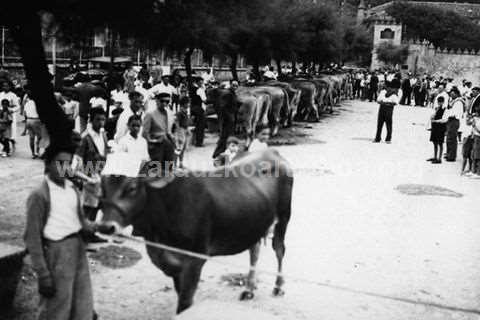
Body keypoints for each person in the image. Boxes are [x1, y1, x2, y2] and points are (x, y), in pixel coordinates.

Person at [24, 145, 96, 320]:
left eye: (67, 163)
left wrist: (99, 227)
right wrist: (43, 274)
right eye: (59, 163)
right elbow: (32, 238)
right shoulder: (39, 195)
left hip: (77, 250)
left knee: (83, 305)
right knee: (57, 308)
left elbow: (80, 222)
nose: (64, 168)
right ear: (47, 164)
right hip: (57, 253)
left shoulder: (71, 188)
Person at [73, 107, 109, 240]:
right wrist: (83, 178)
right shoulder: (85, 137)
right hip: (89, 175)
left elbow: (104, 154)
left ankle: (90, 233)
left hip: (100, 174)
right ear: (91, 120)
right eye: (98, 119)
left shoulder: (103, 135)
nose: (101, 123)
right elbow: (78, 159)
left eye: (103, 119)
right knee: (88, 207)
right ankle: (82, 235)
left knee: (97, 205)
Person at [142, 92, 175, 173]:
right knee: (155, 172)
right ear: (156, 101)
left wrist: (173, 141)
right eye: (162, 101)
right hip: (156, 147)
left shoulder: (169, 113)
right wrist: (152, 143)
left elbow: (169, 130)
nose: (164, 104)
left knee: (168, 171)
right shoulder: (150, 114)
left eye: (167, 102)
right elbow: (145, 133)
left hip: (168, 146)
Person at [444, 87, 463, 162]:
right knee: (449, 138)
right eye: (451, 94)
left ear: (457, 94)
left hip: (454, 120)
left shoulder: (458, 102)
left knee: (452, 139)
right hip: (451, 120)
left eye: (453, 94)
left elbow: (454, 113)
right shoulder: (453, 101)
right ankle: (449, 153)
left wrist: (447, 113)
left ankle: (452, 156)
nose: (451, 95)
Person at [427, 96, 448, 164]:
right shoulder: (437, 108)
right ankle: (435, 156)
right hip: (435, 127)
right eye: (439, 102)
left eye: (440, 102)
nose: (439, 103)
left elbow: (444, 120)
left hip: (440, 127)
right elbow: (433, 116)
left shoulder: (445, 109)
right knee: (434, 142)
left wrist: (436, 121)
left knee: (440, 142)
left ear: (443, 102)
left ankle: (439, 158)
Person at [0, 81, 20, 146]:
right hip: (1, 115)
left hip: (9, 115)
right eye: (4, 86)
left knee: (10, 132)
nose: (5, 87)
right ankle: (5, 145)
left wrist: (12, 110)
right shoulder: (0, 94)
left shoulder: (13, 95)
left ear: (10, 87)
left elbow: (18, 106)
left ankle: (9, 144)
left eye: (7, 86)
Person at [24, 93, 43, 159]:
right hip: (36, 120)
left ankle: (32, 153)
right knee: (39, 137)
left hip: (29, 120)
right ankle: (37, 152)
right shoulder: (38, 103)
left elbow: (25, 114)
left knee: (31, 138)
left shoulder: (27, 103)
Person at [173, 96, 190, 168]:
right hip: (180, 130)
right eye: (187, 103)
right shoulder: (179, 112)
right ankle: (175, 164)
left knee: (182, 149)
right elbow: (177, 123)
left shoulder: (185, 112)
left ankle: (181, 163)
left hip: (184, 130)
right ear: (184, 104)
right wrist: (178, 133)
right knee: (178, 149)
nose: (189, 104)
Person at [190, 78, 207, 147]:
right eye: (200, 82)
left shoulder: (192, 89)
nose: (201, 84)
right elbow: (204, 100)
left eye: (202, 82)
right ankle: (199, 142)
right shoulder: (200, 90)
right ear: (197, 82)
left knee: (197, 125)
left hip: (194, 108)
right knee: (201, 126)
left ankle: (196, 141)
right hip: (199, 109)